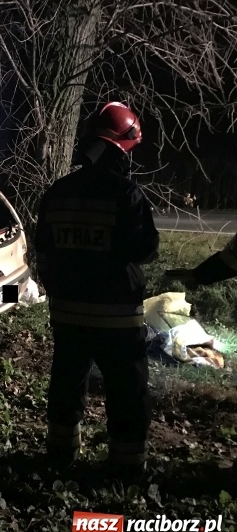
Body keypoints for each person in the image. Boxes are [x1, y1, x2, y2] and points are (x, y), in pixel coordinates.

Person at [35, 101, 160, 475]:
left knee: (66, 385)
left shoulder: (57, 192)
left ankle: (60, 456)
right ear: (123, 147)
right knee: (127, 393)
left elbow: (43, 251)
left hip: (68, 315)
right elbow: (145, 250)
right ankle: (126, 468)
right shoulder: (126, 194)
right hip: (118, 318)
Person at [166, 233, 237, 287]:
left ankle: (188, 277)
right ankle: (172, 276)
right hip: (231, 257)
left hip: (230, 255)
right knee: (198, 276)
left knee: (197, 275)